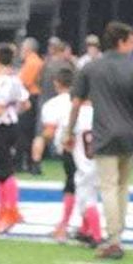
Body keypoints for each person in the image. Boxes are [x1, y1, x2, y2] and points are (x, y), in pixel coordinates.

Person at [67, 21, 133, 261]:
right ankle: (118, 232)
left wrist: (68, 131)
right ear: (122, 41)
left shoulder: (91, 67)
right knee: (123, 186)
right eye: (130, 41)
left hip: (104, 133)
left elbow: (76, 103)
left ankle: (113, 239)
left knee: (108, 186)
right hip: (130, 133)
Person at [0, 44, 30, 235]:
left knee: (3, 171)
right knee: (2, 170)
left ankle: (7, 212)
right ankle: (10, 210)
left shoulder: (1, 81)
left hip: (2, 126)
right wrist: (13, 112)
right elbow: (25, 104)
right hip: (10, 125)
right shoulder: (15, 79)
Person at [36, 67, 79, 242]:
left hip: (71, 148)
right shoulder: (86, 101)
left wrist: (39, 142)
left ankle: (66, 225)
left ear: (56, 83)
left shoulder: (53, 104)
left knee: (72, 187)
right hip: (92, 149)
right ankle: (86, 226)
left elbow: (50, 131)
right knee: (84, 188)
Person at [18, 38, 44, 175]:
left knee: (24, 131)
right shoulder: (34, 61)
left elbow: (25, 82)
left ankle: (25, 162)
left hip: (30, 97)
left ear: (28, 49)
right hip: (32, 97)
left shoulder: (32, 62)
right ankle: (27, 161)